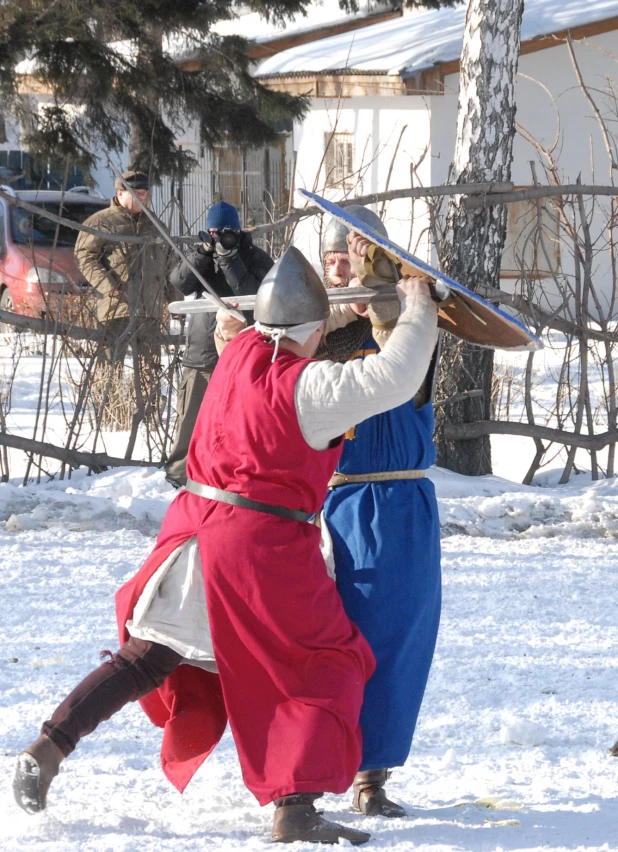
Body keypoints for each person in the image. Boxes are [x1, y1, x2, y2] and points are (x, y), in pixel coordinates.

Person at [13, 242, 437, 845]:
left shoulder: (239, 351)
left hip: (191, 532)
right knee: (324, 663)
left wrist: (358, 304)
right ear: (312, 330)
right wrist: (416, 306)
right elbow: (395, 375)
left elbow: (296, 327)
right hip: (257, 550)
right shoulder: (308, 388)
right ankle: (295, 811)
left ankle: (49, 745)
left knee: (148, 657)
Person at [320, 207, 442, 818]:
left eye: (352, 255)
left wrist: (385, 274)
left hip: (403, 505)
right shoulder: (322, 336)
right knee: (330, 644)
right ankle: (313, 770)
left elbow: (395, 335)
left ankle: (373, 775)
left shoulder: (408, 331)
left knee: (397, 640)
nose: (340, 266)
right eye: (333, 257)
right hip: (336, 503)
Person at [165, 200, 273, 489]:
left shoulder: (256, 259)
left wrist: (230, 259)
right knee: (190, 421)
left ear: (238, 232)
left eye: (226, 233)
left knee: (239, 424)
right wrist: (203, 253)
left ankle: (233, 479)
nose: (220, 239)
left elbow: (253, 296)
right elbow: (180, 281)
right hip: (201, 355)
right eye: (214, 232)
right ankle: (178, 479)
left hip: (243, 355)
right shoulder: (202, 255)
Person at [74, 170, 173, 422]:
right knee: (110, 365)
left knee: (150, 367)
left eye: (145, 194)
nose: (143, 199)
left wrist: (174, 300)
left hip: (150, 309)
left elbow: (170, 265)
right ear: (120, 194)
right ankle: (108, 417)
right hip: (116, 309)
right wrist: (109, 287)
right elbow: (85, 258)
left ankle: (149, 418)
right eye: (137, 194)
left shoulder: (156, 225)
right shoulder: (100, 223)